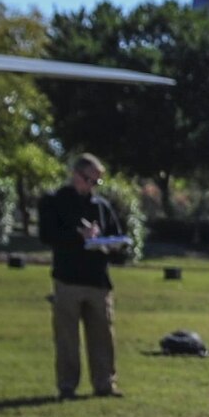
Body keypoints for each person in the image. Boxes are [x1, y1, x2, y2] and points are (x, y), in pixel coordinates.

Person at [37, 154, 126, 399]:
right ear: (76, 175)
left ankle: (105, 384)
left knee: (103, 336)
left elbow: (115, 234)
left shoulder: (101, 206)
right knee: (67, 338)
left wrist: (114, 245)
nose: (93, 186)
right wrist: (79, 237)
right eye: (90, 180)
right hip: (68, 279)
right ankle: (67, 386)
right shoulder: (54, 202)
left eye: (97, 182)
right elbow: (47, 236)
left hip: (98, 280)